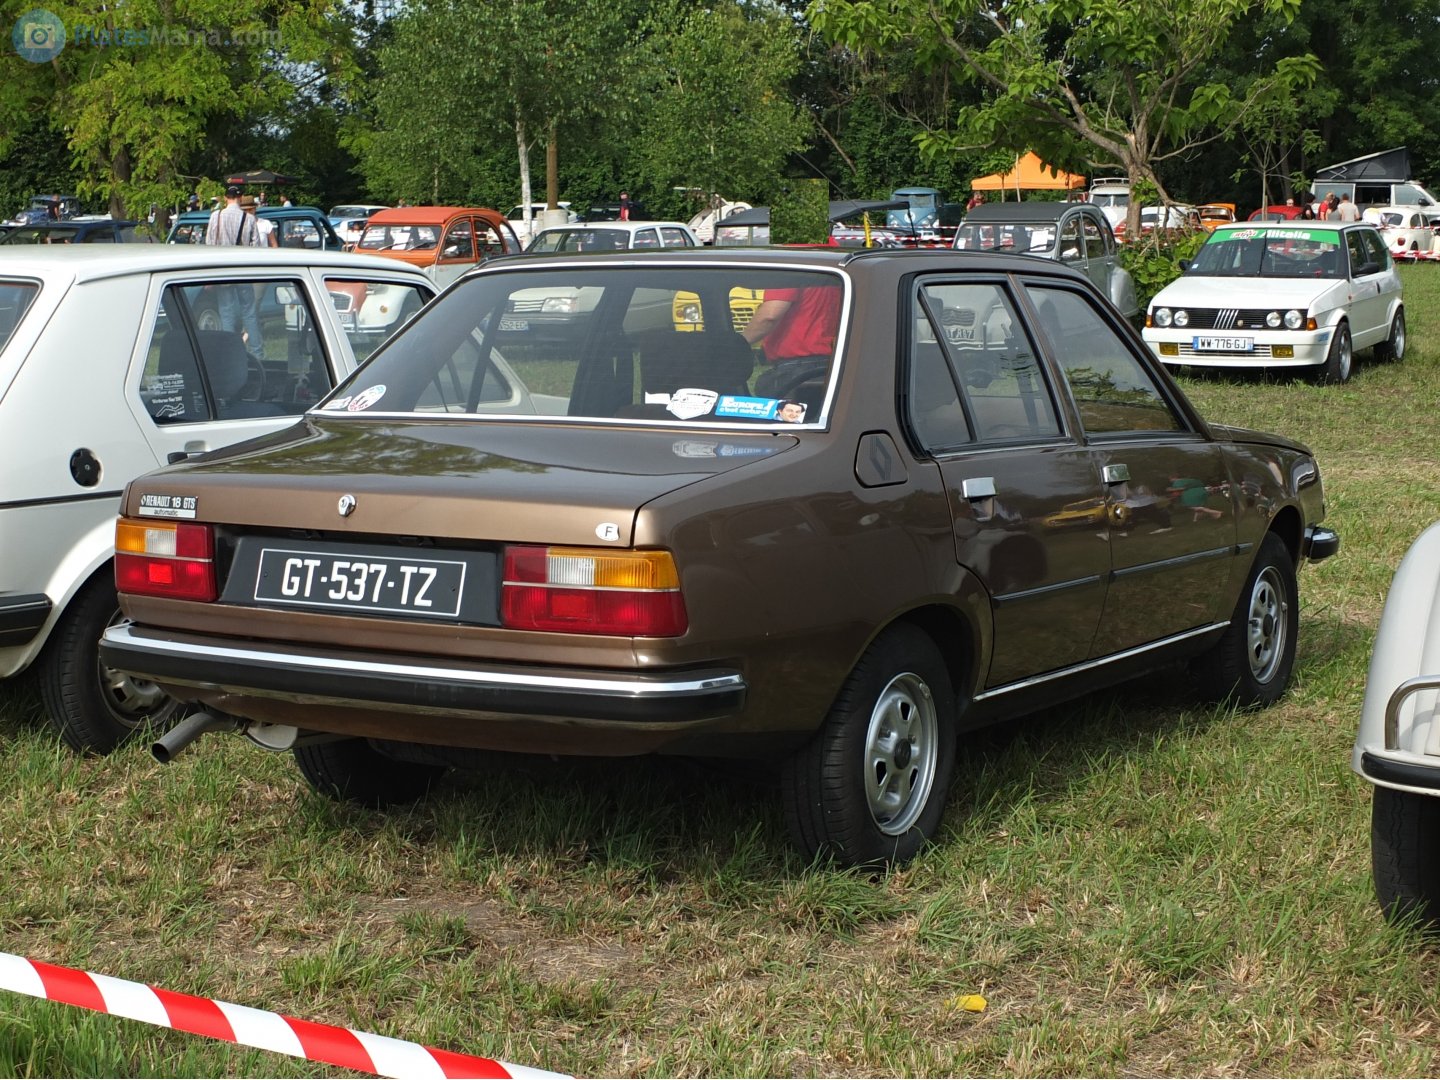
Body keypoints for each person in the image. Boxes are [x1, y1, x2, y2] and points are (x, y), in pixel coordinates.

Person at [742, 285, 842, 397]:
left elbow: (769, 316)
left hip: (795, 369)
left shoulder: (788, 276)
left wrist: (738, 344)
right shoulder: (831, 276)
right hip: (830, 364)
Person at [205, 184, 265, 364]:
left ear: (225, 198)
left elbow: (209, 243)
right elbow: (256, 247)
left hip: (223, 270)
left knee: (226, 312)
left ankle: (229, 353)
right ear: (240, 198)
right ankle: (257, 353)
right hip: (243, 270)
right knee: (249, 312)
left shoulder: (216, 216)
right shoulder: (249, 218)